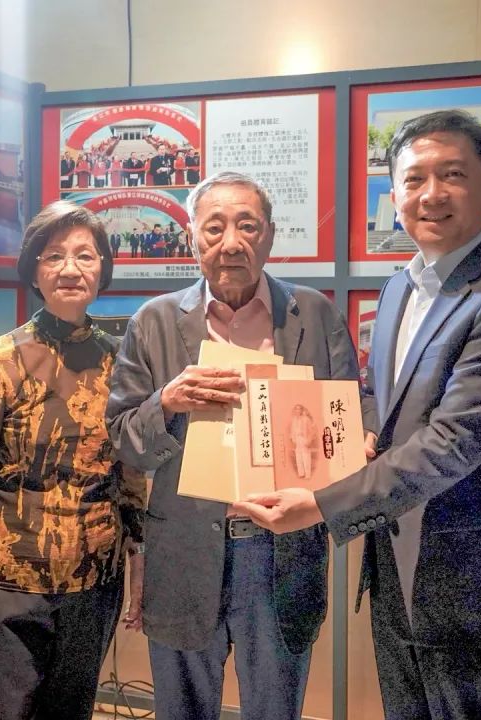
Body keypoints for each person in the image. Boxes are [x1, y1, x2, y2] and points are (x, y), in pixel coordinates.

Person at [235, 110, 481, 719]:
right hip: (393, 575)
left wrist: (322, 503)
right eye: (413, 179)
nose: (431, 194)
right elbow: (383, 405)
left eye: (452, 174)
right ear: (395, 193)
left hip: (470, 588)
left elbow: (453, 442)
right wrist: (355, 436)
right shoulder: (399, 288)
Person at [106, 170, 367, 720]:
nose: (231, 242)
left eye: (247, 226)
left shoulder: (313, 314)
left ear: (269, 236)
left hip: (281, 553)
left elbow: (351, 409)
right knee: (181, 710)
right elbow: (124, 439)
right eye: (215, 227)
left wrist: (355, 446)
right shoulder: (154, 321)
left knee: (275, 709)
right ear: (192, 238)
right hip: (184, 550)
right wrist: (165, 403)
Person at [0, 201, 146, 720]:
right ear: (34, 270)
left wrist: (138, 558)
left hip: (95, 579)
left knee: (73, 711)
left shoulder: (119, 359)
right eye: (54, 256)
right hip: (9, 583)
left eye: (85, 255)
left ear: (102, 268)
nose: (69, 269)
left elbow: (129, 470)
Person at [289, 404, 317, 479]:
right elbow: (292, 430)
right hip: (297, 439)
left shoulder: (306, 419)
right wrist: (293, 439)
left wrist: (309, 440)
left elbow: (311, 431)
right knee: (298, 456)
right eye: (296, 409)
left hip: (304, 438)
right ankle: (301, 473)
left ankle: (308, 474)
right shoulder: (294, 420)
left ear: (301, 410)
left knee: (306, 456)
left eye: (299, 409)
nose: (297, 411)